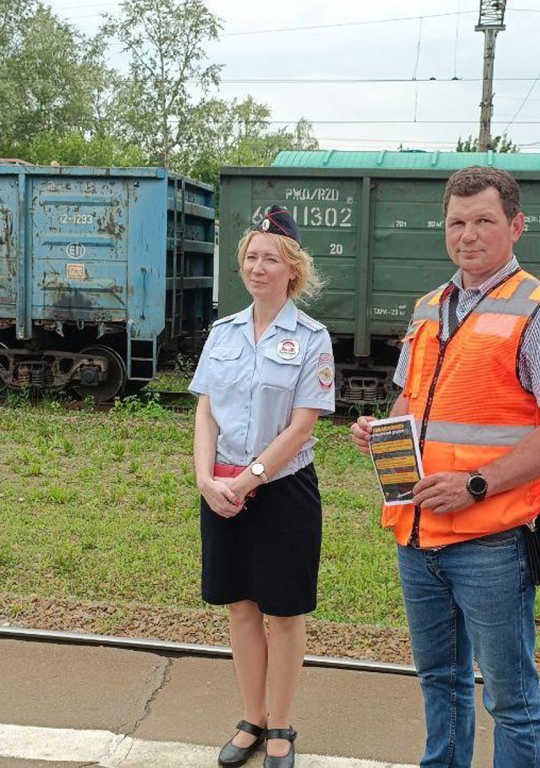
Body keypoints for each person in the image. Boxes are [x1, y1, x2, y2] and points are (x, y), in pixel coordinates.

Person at [349, 166, 540, 767]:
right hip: (419, 531)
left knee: (511, 699)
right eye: (457, 222)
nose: (468, 235)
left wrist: (475, 485)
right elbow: (412, 401)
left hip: (493, 539)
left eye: (484, 221)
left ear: (516, 226)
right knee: (441, 682)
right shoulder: (429, 308)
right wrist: (381, 431)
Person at [189, 205, 335, 768]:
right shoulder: (223, 333)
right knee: (241, 608)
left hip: (281, 493)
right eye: (250, 256)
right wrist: (205, 477)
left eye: (270, 258)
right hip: (221, 489)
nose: (258, 267)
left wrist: (250, 478)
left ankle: (281, 727)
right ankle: (251, 719)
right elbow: (206, 411)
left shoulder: (312, 339)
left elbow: (302, 425)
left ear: (291, 269)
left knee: (284, 611)